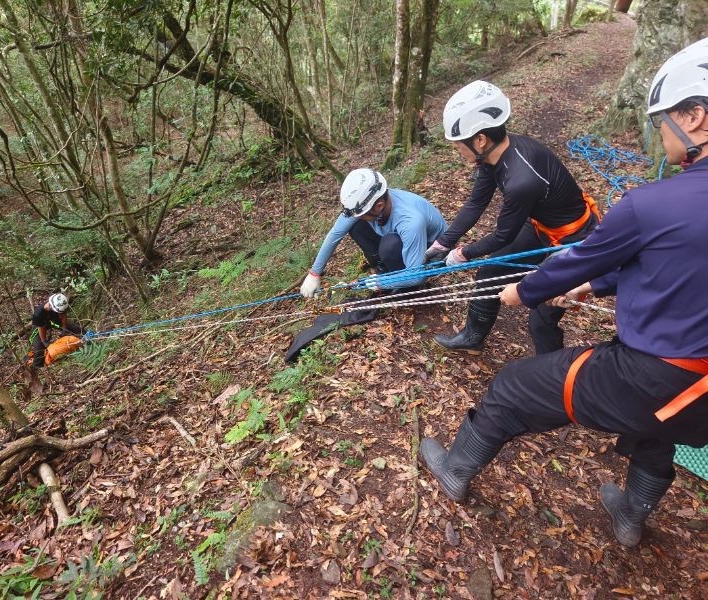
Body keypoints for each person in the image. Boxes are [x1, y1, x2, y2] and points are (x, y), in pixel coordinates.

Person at [419, 38, 708, 548]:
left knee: (512, 386)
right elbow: (673, 265)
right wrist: (596, 287)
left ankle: (457, 468)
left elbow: (579, 255)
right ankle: (632, 516)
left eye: (661, 124)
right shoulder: (675, 208)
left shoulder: (650, 205)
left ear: (695, 118)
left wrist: (526, 292)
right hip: (695, 392)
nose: (658, 135)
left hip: (652, 371)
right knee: (659, 430)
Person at [425, 81, 600, 355]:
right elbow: (476, 202)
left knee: (542, 317)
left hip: (575, 239)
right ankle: (473, 337)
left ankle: (551, 374)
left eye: (458, 143)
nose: (456, 150)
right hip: (543, 226)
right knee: (489, 274)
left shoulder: (521, 179)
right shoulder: (492, 157)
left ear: (479, 139)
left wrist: (463, 253)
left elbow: (502, 235)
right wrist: (443, 244)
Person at [299, 168, 448, 297]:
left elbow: (417, 276)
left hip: (429, 252)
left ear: (379, 206)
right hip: (401, 240)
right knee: (356, 226)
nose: (356, 217)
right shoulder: (367, 203)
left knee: (390, 245)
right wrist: (314, 273)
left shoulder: (410, 221)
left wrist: (379, 283)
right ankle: (386, 269)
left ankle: (404, 287)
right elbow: (336, 233)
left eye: (361, 215)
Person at [28, 293, 82, 368]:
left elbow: (63, 317)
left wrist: (64, 329)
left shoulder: (59, 303)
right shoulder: (38, 314)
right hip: (39, 327)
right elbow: (41, 327)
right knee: (39, 349)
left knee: (74, 328)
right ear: (51, 306)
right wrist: (44, 341)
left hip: (52, 320)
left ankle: (88, 335)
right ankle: (37, 366)